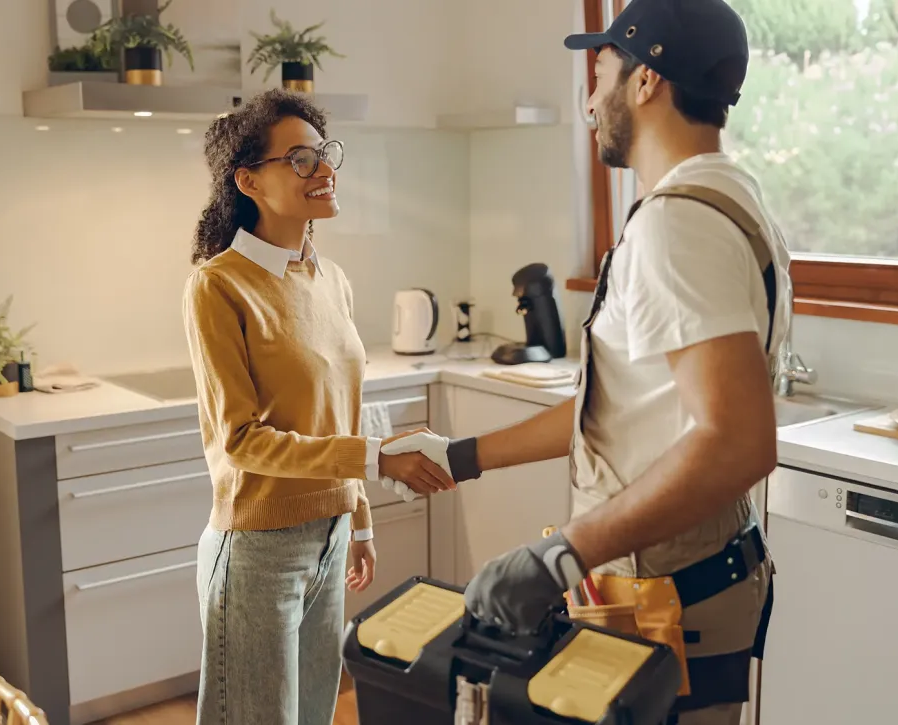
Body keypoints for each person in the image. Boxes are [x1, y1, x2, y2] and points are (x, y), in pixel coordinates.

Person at [385, 1, 792, 722]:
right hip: (692, 576)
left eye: (601, 73)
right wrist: (461, 454)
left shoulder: (677, 226)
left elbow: (736, 441)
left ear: (647, 83)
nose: (589, 99)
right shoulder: (730, 195)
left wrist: (562, 554)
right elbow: (623, 410)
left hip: (673, 588)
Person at [183, 89, 456, 725]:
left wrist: (358, 522)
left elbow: (347, 410)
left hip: (331, 538)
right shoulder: (218, 286)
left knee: (313, 717)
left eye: (325, 154)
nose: (324, 170)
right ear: (248, 179)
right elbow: (242, 441)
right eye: (300, 159)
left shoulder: (332, 279)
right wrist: (377, 462)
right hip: (257, 548)